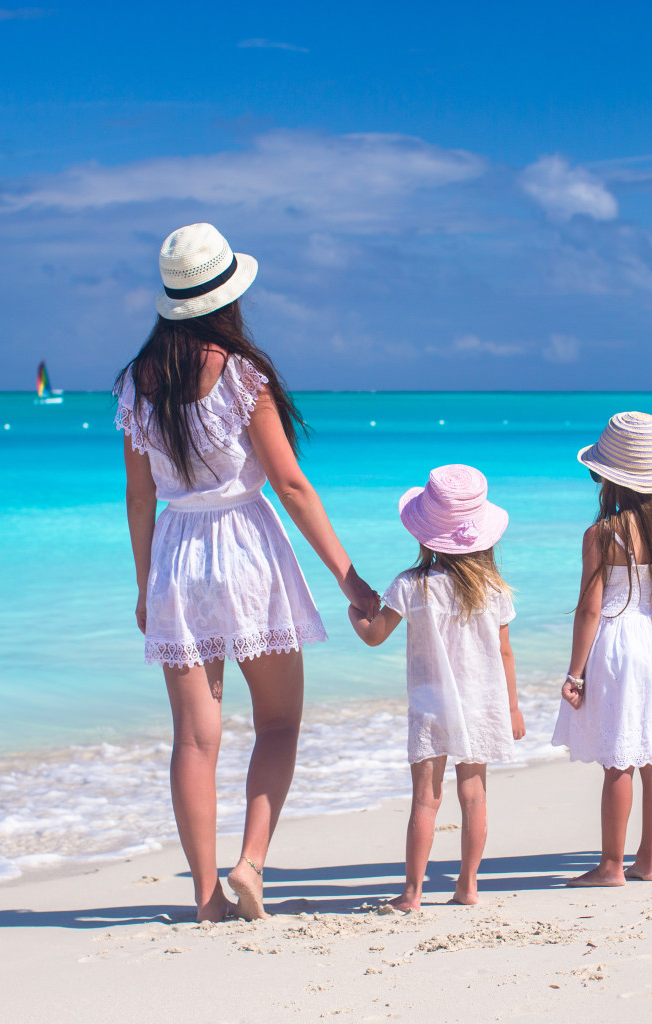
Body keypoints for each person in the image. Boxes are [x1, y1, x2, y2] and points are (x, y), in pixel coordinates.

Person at [117, 223, 379, 921]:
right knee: (279, 724)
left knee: (194, 740)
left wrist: (145, 586)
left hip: (176, 554)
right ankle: (251, 863)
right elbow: (290, 485)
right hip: (247, 550)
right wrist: (352, 582)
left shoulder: (138, 384)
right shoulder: (241, 376)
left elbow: (139, 496)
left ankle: (206, 900)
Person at [347, 464, 525, 911]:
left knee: (426, 799)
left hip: (430, 706)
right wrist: (514, 708)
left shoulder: (411, 585)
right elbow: (505, 654)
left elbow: (374, 636)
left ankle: (412, 893)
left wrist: (356, 612)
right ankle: (467, 887)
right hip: (483, 703)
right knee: (474, 794)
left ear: (424, 536)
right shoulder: (494, 590)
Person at [554, 412, 652, 887]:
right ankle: (650, 860)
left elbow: (589, 611)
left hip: (616, 647)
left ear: (609, 479)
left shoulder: (602, 534)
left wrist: (575, 674)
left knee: (618, 758)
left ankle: (611, 866)